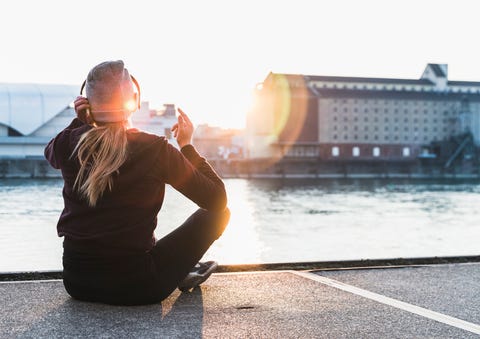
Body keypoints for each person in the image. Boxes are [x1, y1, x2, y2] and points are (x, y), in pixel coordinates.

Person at [44, 60, 230, 305]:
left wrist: (82, 121)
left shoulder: (70, 142)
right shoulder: (155, 149)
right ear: (134, 99)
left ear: (87, 102)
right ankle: (181, 269)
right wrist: (187, 146)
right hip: (138, 286)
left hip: (77, 282)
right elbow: (217, 199)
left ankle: (180, 269)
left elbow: (50, 153)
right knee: (219, 214)